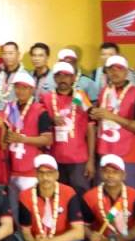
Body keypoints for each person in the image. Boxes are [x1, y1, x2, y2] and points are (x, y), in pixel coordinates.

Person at [89, 55, 135, 189]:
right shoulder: (104, 92)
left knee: (127, 193)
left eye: (119, 69)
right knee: (103, 193)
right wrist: (96, 115)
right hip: (104, 150)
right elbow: (96, 124)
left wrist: (112, 116)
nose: (115, 72)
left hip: (128, 153)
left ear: (126, 71)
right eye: (111, 69)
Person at [40, 61, 95, 194]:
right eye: (59, 75)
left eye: (67, 75)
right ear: (54, 78)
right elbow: (40, 126)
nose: (62, 79)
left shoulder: (81, 97)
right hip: (55, 157)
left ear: (74, 78)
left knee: (81, 195)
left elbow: (91, 128)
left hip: (79, 158)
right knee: (59, 196)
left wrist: (91, 160)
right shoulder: (46, 98)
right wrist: (52, 120)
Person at [4, 71, 53, 205]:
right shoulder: (10, 108)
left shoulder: (40, 111)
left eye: (24, 88)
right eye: (17, 87)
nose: (20, 91)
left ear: (32, 89)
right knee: (14, 209)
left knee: (31, 208)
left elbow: (47, 140)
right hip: (12, 168)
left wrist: (23, 139)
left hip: (31, 170)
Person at [0, 42, 25, 108]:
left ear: (18, 54)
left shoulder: (24, 76)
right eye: (4, 53)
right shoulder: (0, 73)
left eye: (10, 53)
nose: (7, 56)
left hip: (16, 112)